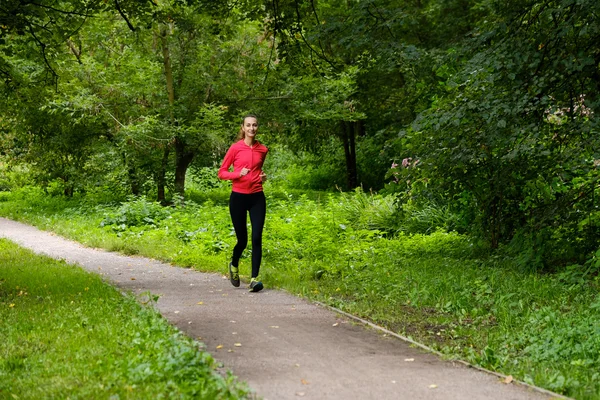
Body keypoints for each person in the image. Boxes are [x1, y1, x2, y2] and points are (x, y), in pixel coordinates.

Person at [218, 115, 268, 292]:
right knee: (243, 240)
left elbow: (259, 170)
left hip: (257, 197)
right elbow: (222, 173)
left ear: (257, 127)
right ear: (243, 127)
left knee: (256, 238)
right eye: (248, 125)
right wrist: (237, 174)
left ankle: (254, 279)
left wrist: (263, 177)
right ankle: (234, 263)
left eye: (254, 125)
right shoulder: (235, 148)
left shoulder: (263, 149)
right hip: (238, 197)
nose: (252, 128)